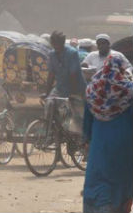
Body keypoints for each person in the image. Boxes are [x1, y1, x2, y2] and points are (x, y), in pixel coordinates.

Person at [83, 55, 133, 213]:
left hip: (98, 146)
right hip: (123, 147)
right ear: (122, 69)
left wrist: (88, 141)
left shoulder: (92, 92)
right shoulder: (128, 92)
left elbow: (87, 126)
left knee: (96, 181)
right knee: (119, 183)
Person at [44, 31, 86, 99]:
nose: (55, 46)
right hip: (60, 88)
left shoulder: (72, 53)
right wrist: (47, 93)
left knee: (75, 107)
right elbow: (51, 74)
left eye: (57, 43)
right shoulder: (52, 55)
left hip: (76, 88)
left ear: (62, 43)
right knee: (50, 103)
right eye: (53, 43)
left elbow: (73, 74)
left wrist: (73, 92)